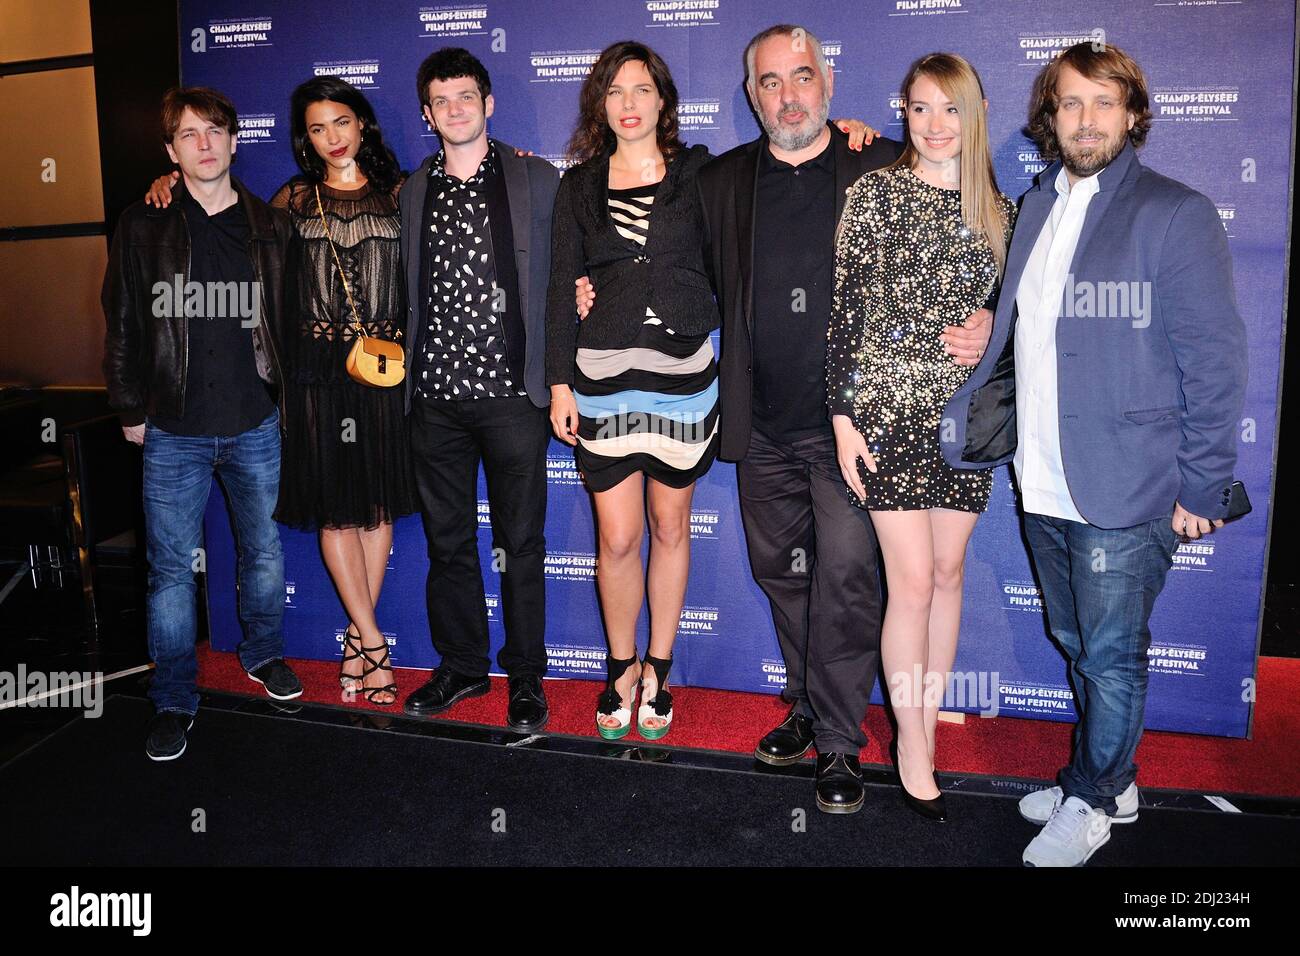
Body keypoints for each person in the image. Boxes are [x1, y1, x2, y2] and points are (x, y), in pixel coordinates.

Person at [941, 42, 1247, 865]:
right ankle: (1110, 776)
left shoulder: (1175, 213)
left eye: (1104, 103)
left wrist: (1205, 486)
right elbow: (1026, 331)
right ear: (1052, 117)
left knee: (1111, 657)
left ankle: (1093, 800)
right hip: (1039, 473)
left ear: (1133, 115)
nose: (1086, 120)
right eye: (1071, 104)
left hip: (1131, 480)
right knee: (1077, 643)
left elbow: (1215, 361)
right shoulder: (1036, 203)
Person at [146, 77, 419, 707]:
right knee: (334, 510)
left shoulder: (400, 192)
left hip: (381, 373)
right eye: (318, 128)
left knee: (376, 510)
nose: (332, 138)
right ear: (306, 138)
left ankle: (359, 638)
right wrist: (163, 184)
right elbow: (215, 213)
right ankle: (374, 644)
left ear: (363, 124)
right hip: (316, 376)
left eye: (342, 123)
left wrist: (513, 159)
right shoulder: (291, 202)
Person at [827, 52, 1015, 822]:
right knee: (908, 583)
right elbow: (845, 316)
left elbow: (1019, 320)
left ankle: (926, 720)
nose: (935, 127)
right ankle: (910, 741)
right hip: (887, 418)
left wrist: (990, 324)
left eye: (951, 110)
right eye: (919, 110)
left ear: (974, 117)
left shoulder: (999, 209)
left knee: (947, 576)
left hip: (967, 421)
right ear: (902, 114)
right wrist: (843, 417)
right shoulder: (874, 195)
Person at [103, 86, 301, 761]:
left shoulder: (271, 226)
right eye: (188, 136)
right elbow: (125, 321)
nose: (204, 144)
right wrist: (131, 409)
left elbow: (292, 324)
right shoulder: (142, 223)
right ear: (170, 151)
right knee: (167, 574)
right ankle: (174, 697)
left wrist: (287, 404)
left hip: (255, 423)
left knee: (265, 554)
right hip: (173, 428)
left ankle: (263, 653)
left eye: (215, 131)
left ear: (235, 139)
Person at [547, 40, 719, 741]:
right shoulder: (578, 185)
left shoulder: (702, 174)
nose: (628, 103)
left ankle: (660, 668)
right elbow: (563, 285)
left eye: (641, 89)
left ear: (663, 101)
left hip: (682, 374)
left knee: (670, 528)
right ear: (600, 104)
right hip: (604, 377)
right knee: (616, 538)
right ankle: (619, 670)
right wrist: (560, 381)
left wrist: (853, 133)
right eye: (614, 91)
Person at [398, 48, 560, 731]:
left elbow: (564, 272)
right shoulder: (411, 190)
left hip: (512, 397)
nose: (457, 109)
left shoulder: (535, 177)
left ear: (489, 104)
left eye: (468, 96)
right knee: (448, 542)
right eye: (443, 100)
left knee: (522, 542)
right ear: (427, 113)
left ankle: (525, 675)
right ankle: (463, 667)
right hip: (434, 396)